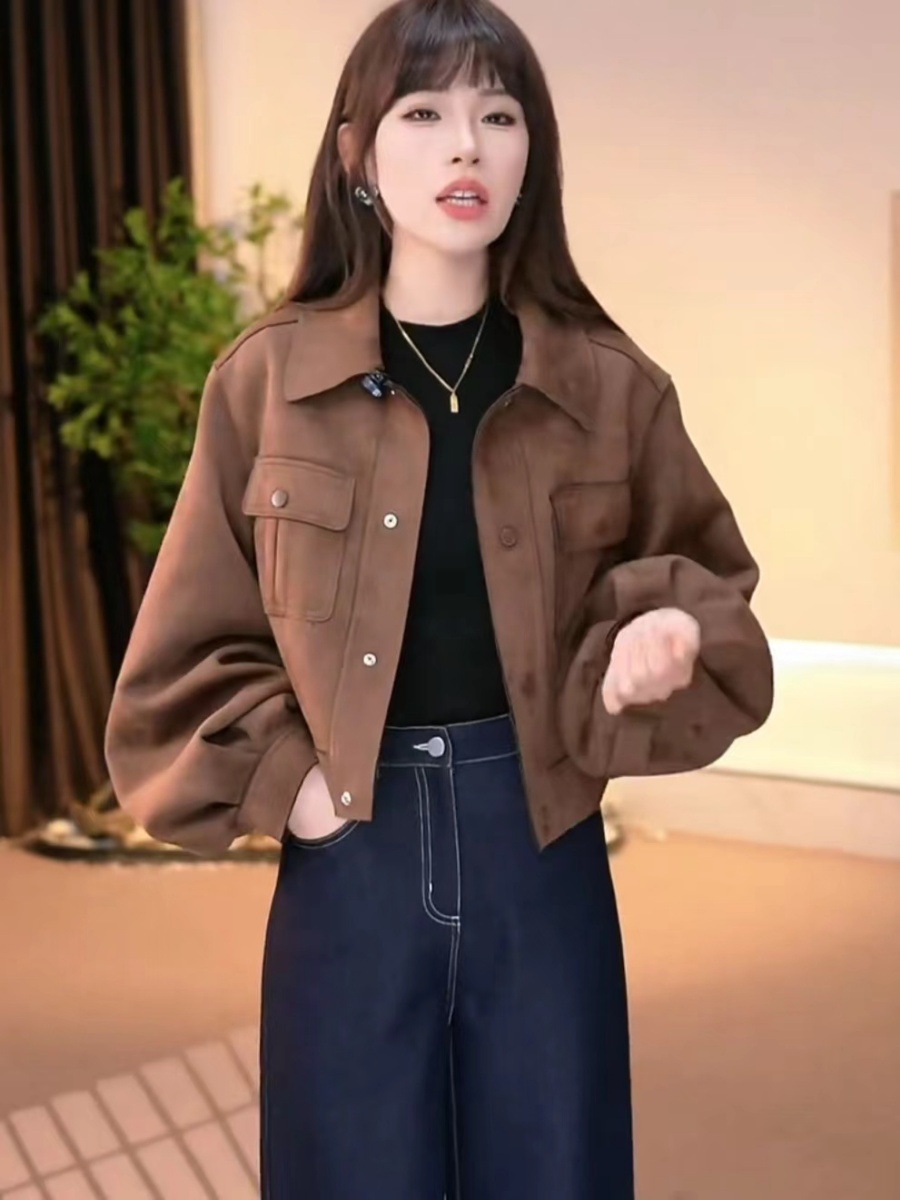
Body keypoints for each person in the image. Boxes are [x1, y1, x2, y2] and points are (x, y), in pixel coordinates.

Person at [104, 0, 775, 1195]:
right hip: (349, 855)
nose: (467, 145)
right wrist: (298, 793)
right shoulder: (266, 383)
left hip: (543, 851)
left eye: (499, 116)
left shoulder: (610, 386)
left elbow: (711, 584)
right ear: (356, 155)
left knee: (557, 1166)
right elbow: (182, 657)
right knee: (350, 1171)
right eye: (424, 112)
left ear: (531, 155)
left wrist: (670, 627)